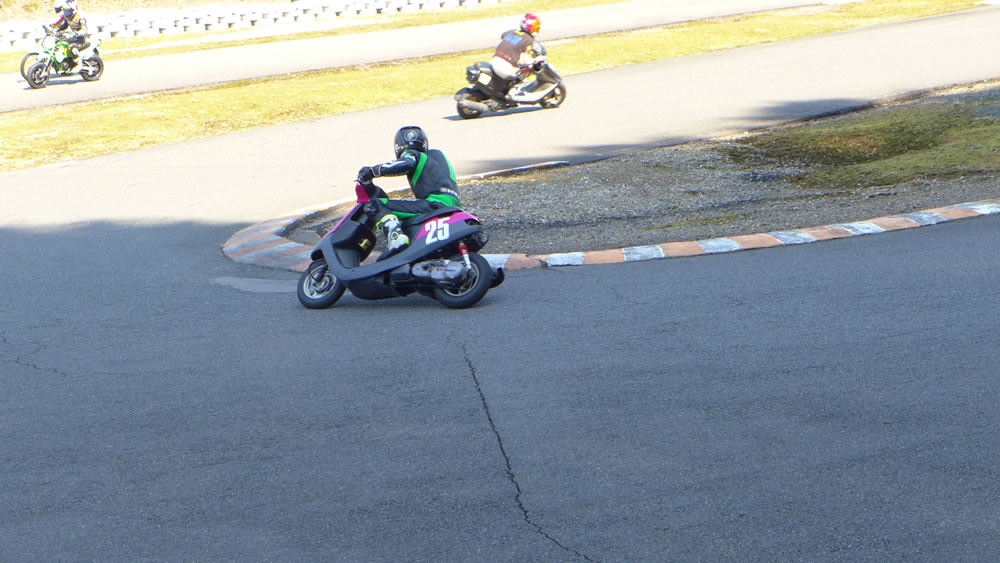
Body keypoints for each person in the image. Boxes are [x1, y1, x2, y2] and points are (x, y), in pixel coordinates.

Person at [357, 126, 460, 259]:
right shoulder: (438, 158)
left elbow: (407, 163)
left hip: (434, 204)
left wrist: (373, 171)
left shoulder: (413, 154)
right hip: (453, 208)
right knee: (402, 218)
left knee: (375, 205)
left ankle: (396, 238)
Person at [489, 13, 543, 100]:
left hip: (494, 61)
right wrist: (535, 61)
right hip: (504, 68)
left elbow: (503, 35)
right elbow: (525, 60)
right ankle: (513, 92)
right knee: (527, 67)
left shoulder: (512, 32)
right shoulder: (528, 40)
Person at [47, 0, 89, 74]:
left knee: (71, 47)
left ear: (73, 9)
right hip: (73, 38)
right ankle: (63, 65)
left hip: (81, 39)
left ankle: (78, 63)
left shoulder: (80, 17)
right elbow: (64, 26)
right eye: (65, 11)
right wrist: (56, 30)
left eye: (68, 11)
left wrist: (76, 33)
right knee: (60, 44)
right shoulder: (67, 17)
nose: (67, 13)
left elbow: (84, 30)